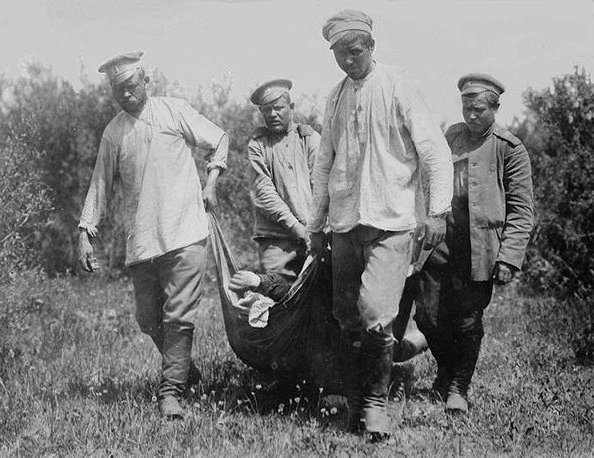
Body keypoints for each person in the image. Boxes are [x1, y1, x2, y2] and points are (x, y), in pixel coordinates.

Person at [308, 10, 453, 441]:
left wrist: (438, 212)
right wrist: (317, 224)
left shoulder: (397, 84)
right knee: (346, 316)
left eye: (355, 51)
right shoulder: (334, 97)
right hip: (346, 222)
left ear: (371, 46)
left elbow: (435, 153)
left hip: (392, 220)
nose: (348, 60)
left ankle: (375, 406)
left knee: (375, 315)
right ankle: (355, 404)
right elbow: (323, 163)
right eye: (339, 53)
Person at [77, 51, 229, 419]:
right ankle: (183, 369)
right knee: (148, 318)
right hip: (143, 239)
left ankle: (171, 394)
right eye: (118, 91)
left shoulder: (173, 110)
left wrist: (212, 182)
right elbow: (100, 183)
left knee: (177, 315)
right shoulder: (113, 133)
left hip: (185, 230)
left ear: (146, 81)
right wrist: (85, 231)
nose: (126, 95)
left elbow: (219, 139)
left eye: (131, 86)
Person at [414, 73, 534, 414]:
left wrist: (509, 258)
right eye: (466, 108)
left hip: (479, 247)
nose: (471, 115)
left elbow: (522, 211)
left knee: (466, 320)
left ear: (494, 108)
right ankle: (448, 370)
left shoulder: (510, 148)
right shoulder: (451, 136)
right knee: (427, 316)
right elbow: (427, 176)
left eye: (478, 109)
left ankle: (458, 387)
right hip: (441, 238)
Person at [228, 79, 320, 301]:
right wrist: (296, 227)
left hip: (313, 233)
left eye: (278, 108)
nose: (272, 114)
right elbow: (263, 192)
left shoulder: (309, 138)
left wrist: (314, 229)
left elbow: (322, 186)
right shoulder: (258, 145)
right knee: (276, 296)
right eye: (266, 110)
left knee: (320, 296)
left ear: (291, 108)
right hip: (276, 237)